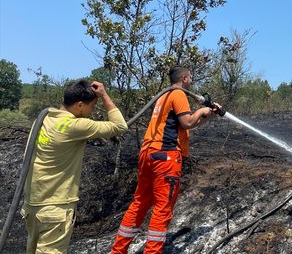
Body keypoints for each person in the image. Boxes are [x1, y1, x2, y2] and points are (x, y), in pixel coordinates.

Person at [111, 66, 221, 254]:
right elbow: (187, 122)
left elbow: (184, 125)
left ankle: (117, 251)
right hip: (165, 157)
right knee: (163, 208)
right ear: (185, 78)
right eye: (191, 76)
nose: (192, 79)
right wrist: (201, 110)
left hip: (148, 154)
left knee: (139, 204)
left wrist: (207, 114)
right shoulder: (178, 94)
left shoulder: (164, 97)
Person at [21, 80, 127, 254]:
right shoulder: (75, 126)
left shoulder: (43, 119)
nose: (92, 111)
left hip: (32, 206)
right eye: (92, 106)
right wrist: (104, 95)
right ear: (79, 105)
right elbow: (120, 126)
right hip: (56, 208)